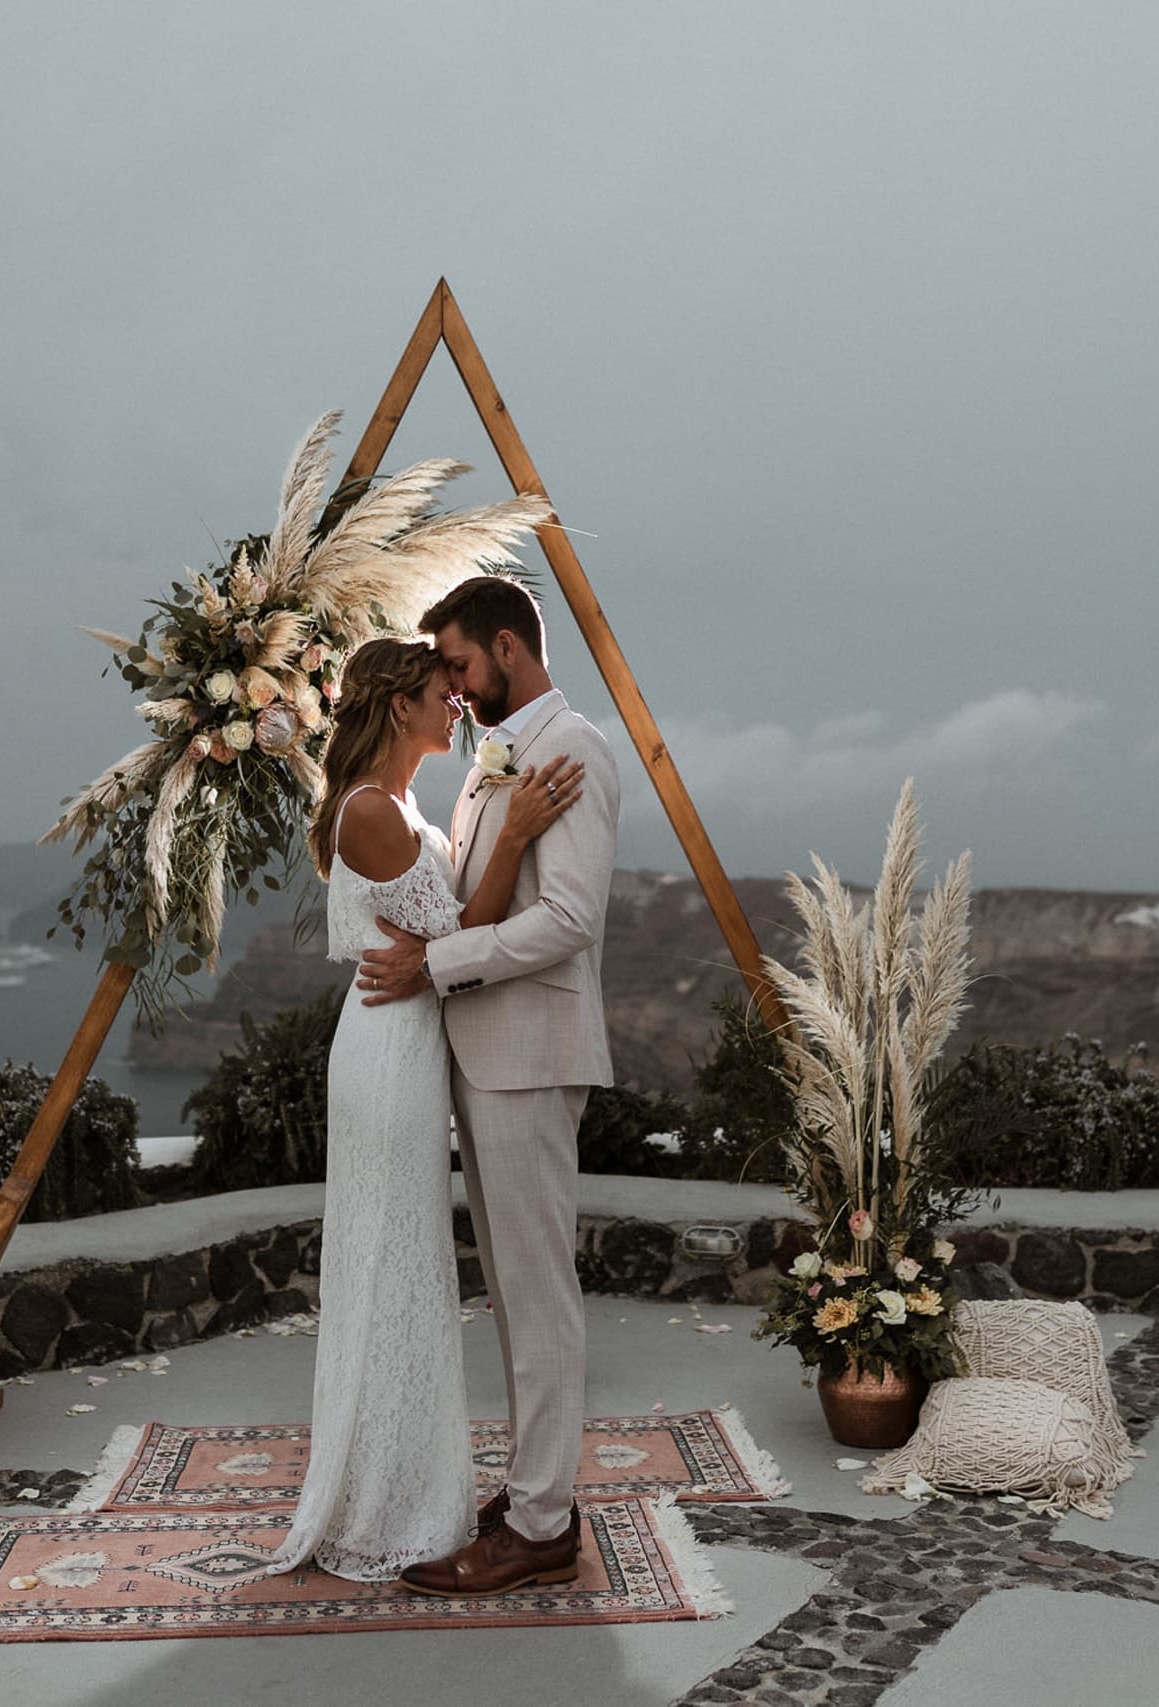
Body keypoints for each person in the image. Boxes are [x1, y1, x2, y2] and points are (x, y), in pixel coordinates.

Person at [266, 634, 583, 1582]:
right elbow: (463, 933)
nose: (457, 705)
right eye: (441, 692)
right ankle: (386, 1506)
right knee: (393, 1267)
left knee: (404, 1267)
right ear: (398, 706)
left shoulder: (399, 803)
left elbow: (439, 946)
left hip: (410, 1046)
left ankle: (405, 1486)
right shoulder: (369, 810)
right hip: (386, 1055)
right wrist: (518, 831)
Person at [357, 576, 621, 1598]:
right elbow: (475, 894)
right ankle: (530, 1494)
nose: (455, 692)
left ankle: (544, 1523)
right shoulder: (493, 756)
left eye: (461, 665)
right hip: (484, 1051)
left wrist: (435, 967)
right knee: (511, 1290)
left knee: (537, 1292)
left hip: (530, 1053)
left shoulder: (574, 750)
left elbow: (568, 920)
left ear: (509, 648)